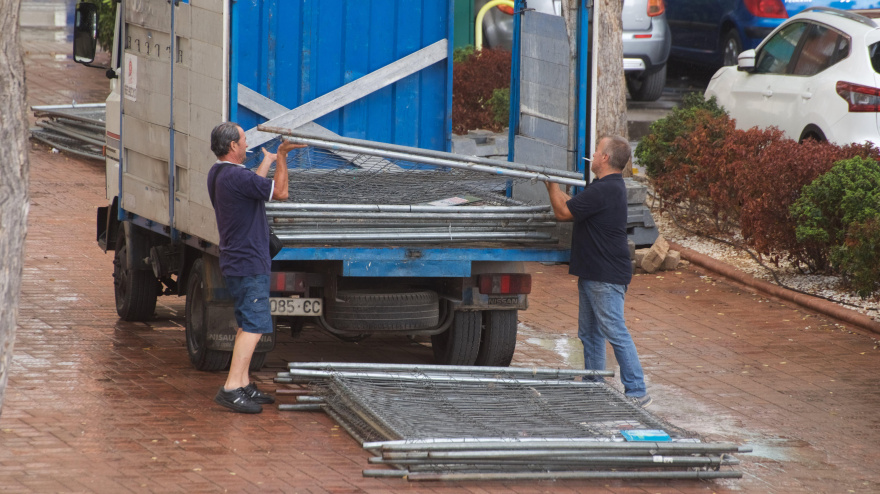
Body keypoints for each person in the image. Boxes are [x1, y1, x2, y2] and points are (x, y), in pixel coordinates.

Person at [544, 135, 651, 408]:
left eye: (596, 151)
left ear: (605, 158)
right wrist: (556, 188)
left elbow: (562, 213)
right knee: (590, 334)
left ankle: (637, 391)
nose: (592, 154)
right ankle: (594, 385)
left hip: (605, 276)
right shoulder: (605, 188)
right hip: (595, 273)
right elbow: (573, 206)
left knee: (615, 331)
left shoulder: (605, 189)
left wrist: (551, 184)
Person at [207, 122, 305, 413]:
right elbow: (281, 192)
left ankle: (243, 382)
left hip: (236, 260)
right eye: (244, 140)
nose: (247, 144)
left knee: (245, 325)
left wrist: (267, 161)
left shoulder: (219, 173)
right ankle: (231, 388)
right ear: (233, 146)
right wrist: (282, 156)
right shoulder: (237, 176)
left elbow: (254, 188)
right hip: (249, 263)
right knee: (254, 327)